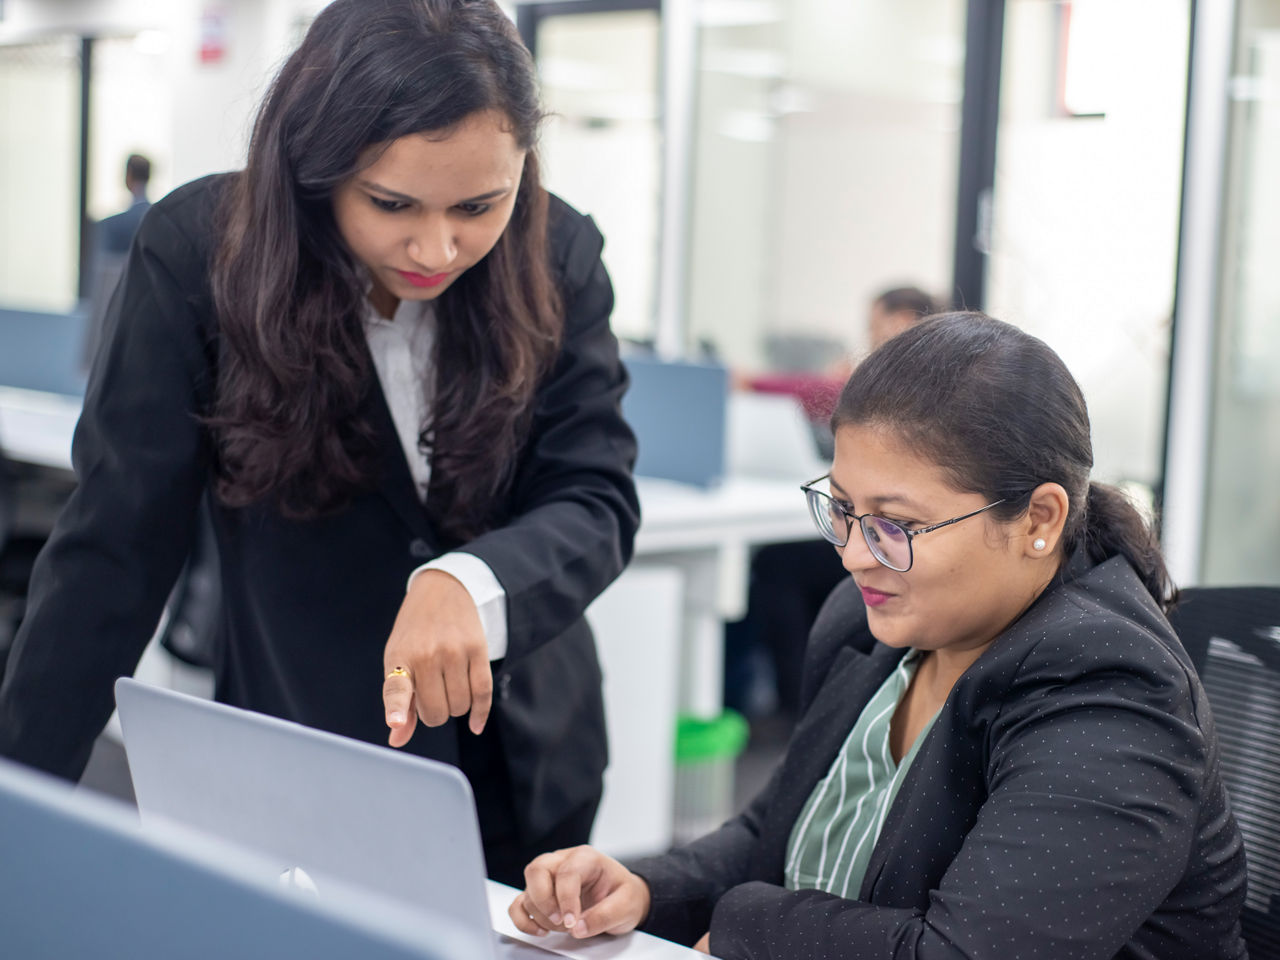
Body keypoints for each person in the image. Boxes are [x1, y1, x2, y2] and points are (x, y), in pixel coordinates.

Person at [0, 0, 639, 887]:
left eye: (478, 205)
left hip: (526, 759)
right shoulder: (201, 258)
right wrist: (20, 805)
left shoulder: (558, 251)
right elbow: (115, 551)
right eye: (391, 203)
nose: (437, 246)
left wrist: (470, 581)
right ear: (316, 165)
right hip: (305, 753)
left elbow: (596, 497)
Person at [508, 312, 1248, 958]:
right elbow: (782, 826)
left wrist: (746, 923)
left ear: (1039, 520)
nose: (856, 552)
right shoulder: (875, 625)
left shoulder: (1110, 692)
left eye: (899, 525)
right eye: (842, 509)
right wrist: (645, 888)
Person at [724, 284, 940, 723]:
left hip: (899, 541)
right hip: (884, 531)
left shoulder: (913, 387)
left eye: (878, 329)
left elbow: (817, 390)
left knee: (778, 567)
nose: (872, 340)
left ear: (901, 324)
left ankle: (797, 706)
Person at [83, 153, 154, 365]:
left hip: (115, 316)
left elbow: (101, 283)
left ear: (128, 176)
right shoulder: (160, 220)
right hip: (147, 320)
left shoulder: (111, 226)